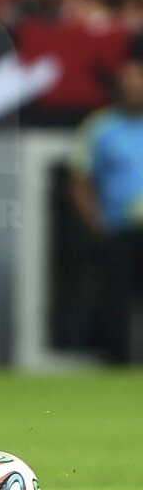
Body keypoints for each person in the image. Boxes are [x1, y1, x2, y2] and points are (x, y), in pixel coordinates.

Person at [70, 53, 143, 362]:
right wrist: (95, 222)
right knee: (117, 299)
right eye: (127, 81)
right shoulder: (100, 127)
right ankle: (118, 363)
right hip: (118, 228)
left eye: (139, 80)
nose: (134, 87)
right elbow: (81, 179)